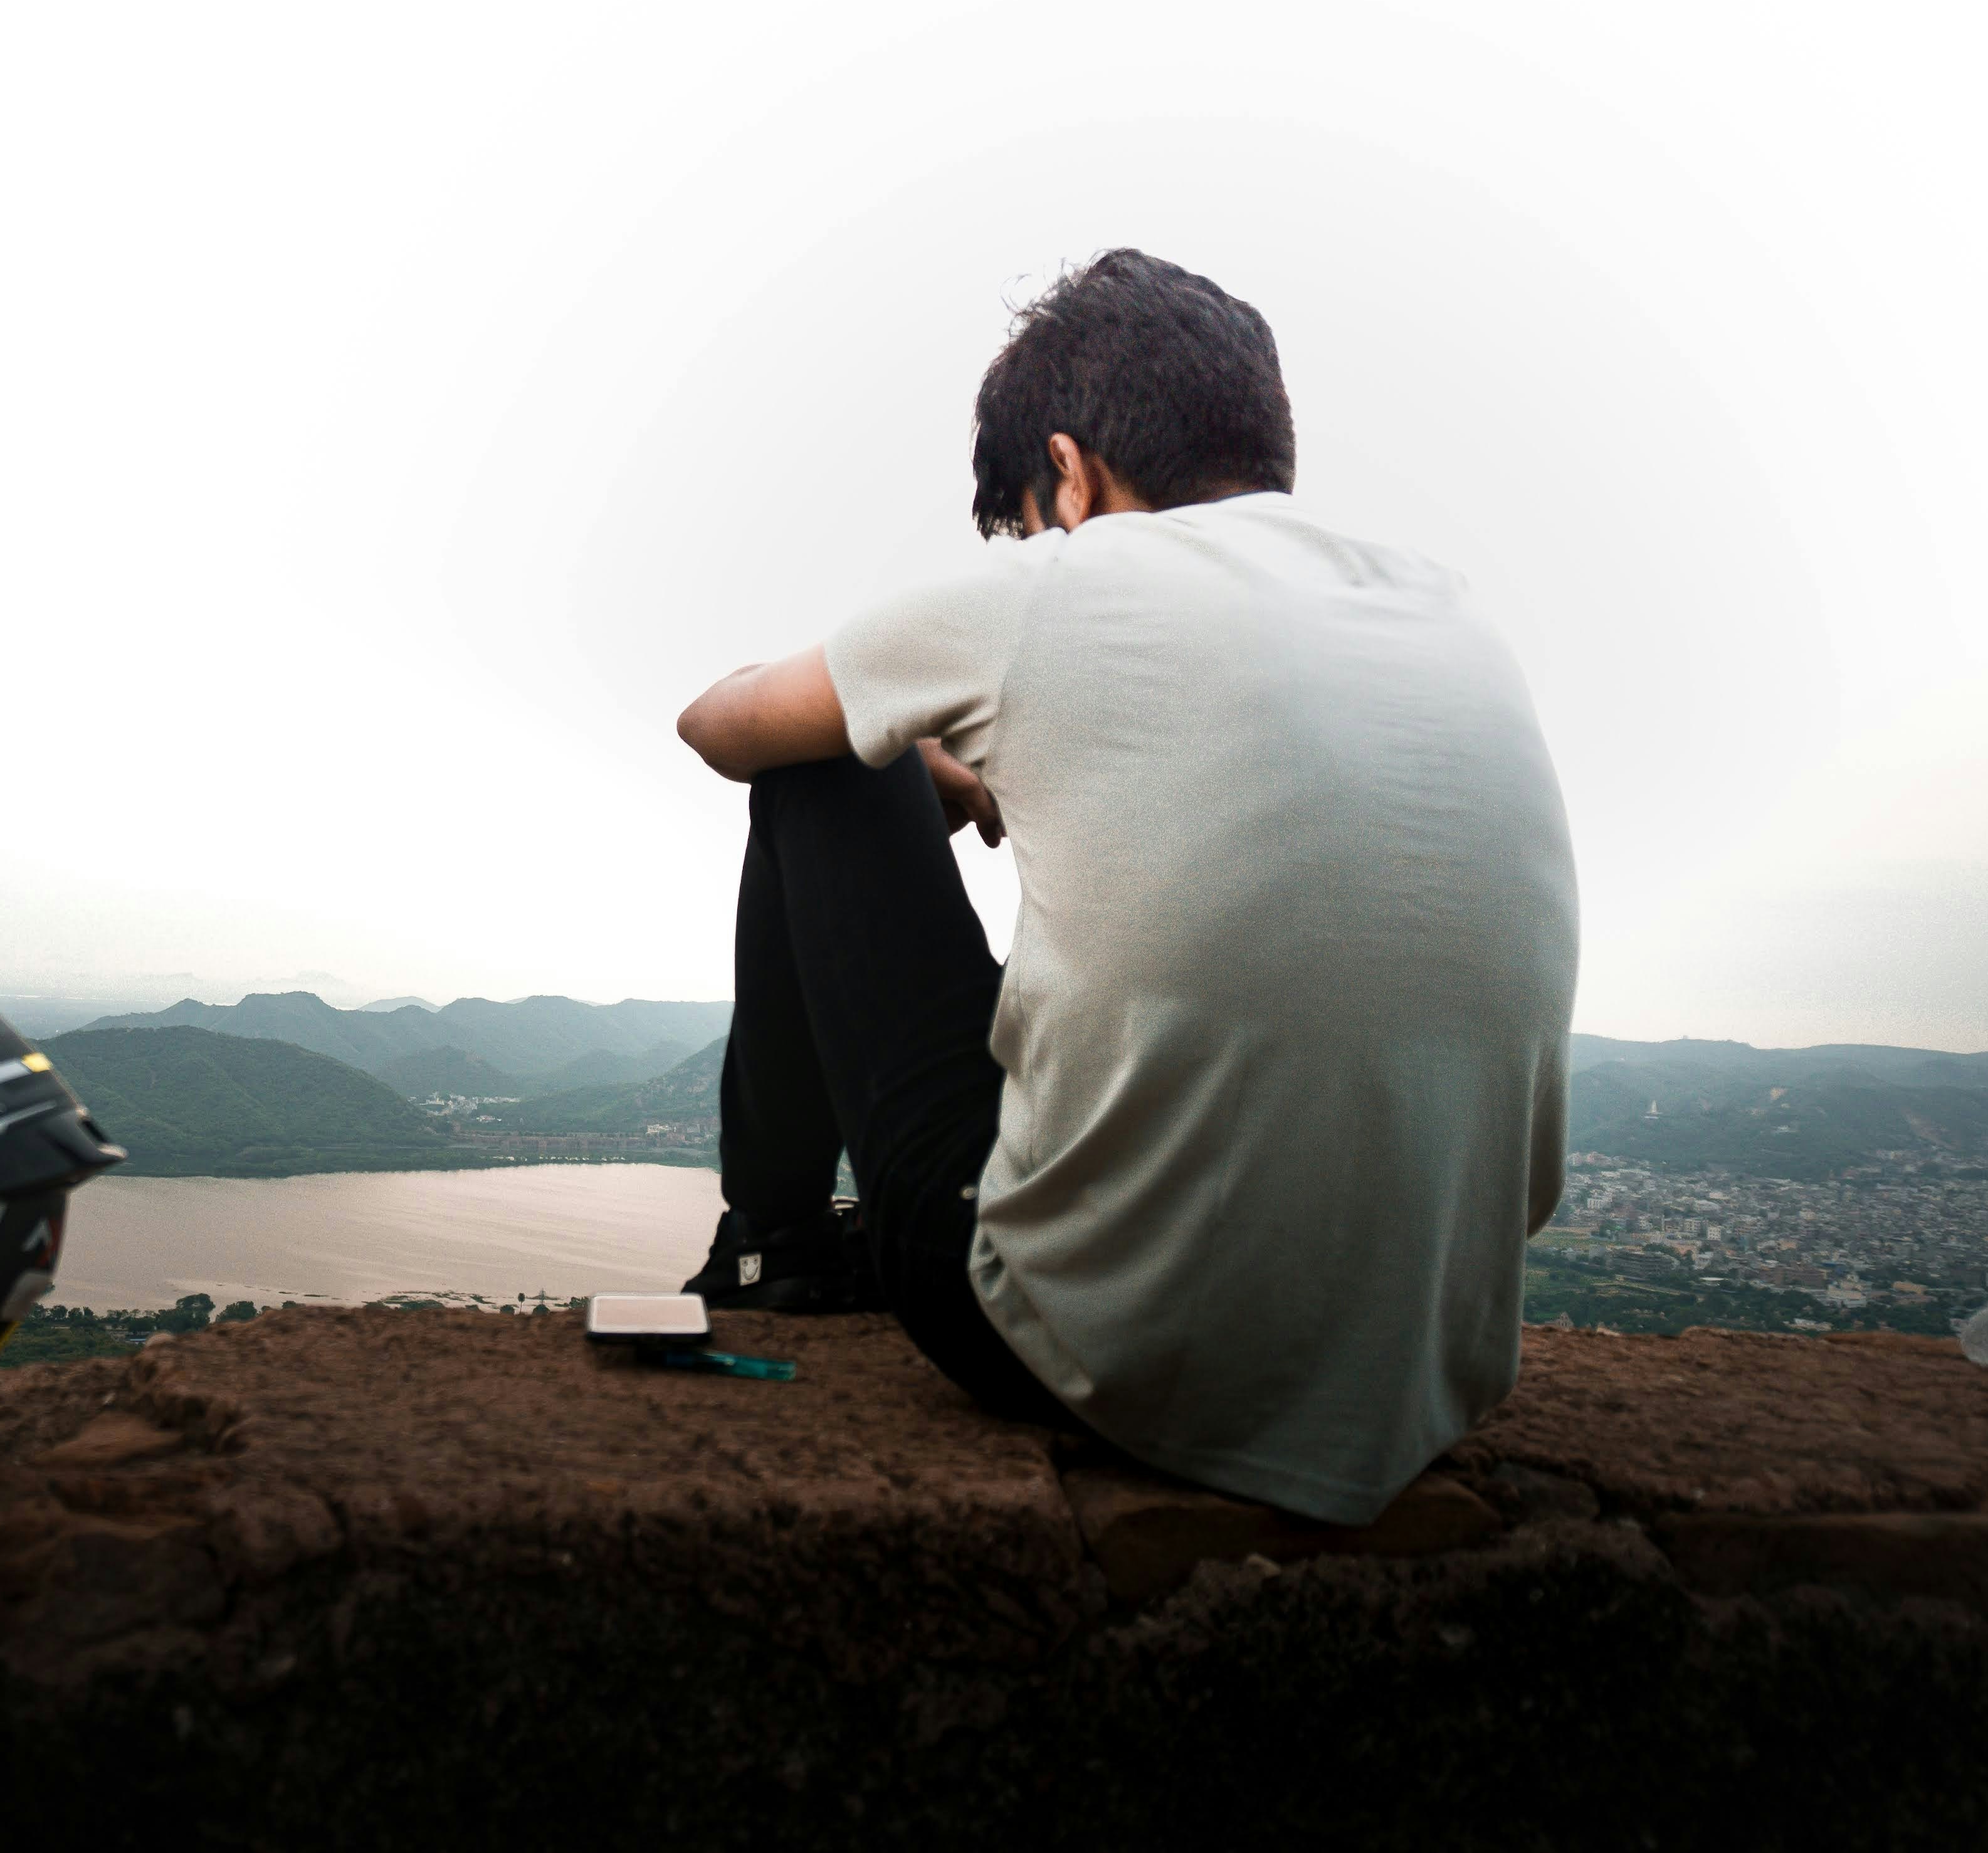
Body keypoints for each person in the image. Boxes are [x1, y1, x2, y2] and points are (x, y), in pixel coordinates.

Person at [672, 250, 1577, 1526]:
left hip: (1091, 1343)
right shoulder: (1454, 619)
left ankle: (773, 1244)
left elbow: (717, 725)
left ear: (1071, 470)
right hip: (1422, 1360)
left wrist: (928, 756)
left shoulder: (1062, 583)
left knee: (825, 761)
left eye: (1037, 515)